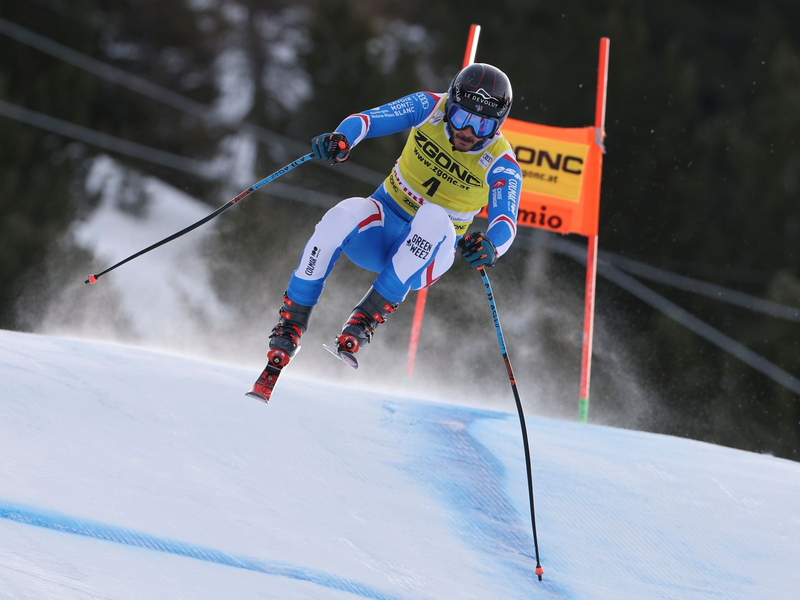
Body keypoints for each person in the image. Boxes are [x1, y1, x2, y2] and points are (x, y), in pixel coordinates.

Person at [247, 63, 521, 402]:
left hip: (427, 256)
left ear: (498, 125)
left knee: (434, 216)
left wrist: (491, 245)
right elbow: (368, 120)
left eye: (483, 124)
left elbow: (506, 222)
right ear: (450, 104)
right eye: (462, 116)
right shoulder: (429, 107)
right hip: (379, 231)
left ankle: (364, 320)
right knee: (343, 213)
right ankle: (290, 326)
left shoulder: (501, 160)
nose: (468, 131)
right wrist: (342, 139)